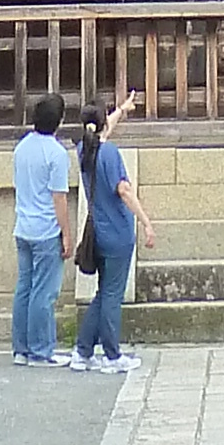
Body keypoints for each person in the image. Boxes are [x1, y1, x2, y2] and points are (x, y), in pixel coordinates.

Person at [69, 92, 155, 373]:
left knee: (103, 292)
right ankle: (111, 354)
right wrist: (145, 221)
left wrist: (121, 110)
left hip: (97, 231)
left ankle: (83, 351)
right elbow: (124, 190)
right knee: (111, 295)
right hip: (118, 231)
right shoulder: (110, 153)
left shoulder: (84, 149)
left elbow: (101, 132)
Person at [10, 88, 78, 365]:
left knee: (24, 287)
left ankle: (21, 348)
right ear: (59, 121)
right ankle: (41, 349)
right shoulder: (57, 153)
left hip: (23, 225)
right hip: (46, 228)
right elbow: (58, 197)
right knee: (44, 292)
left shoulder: (22, 147)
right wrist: (67, 233)